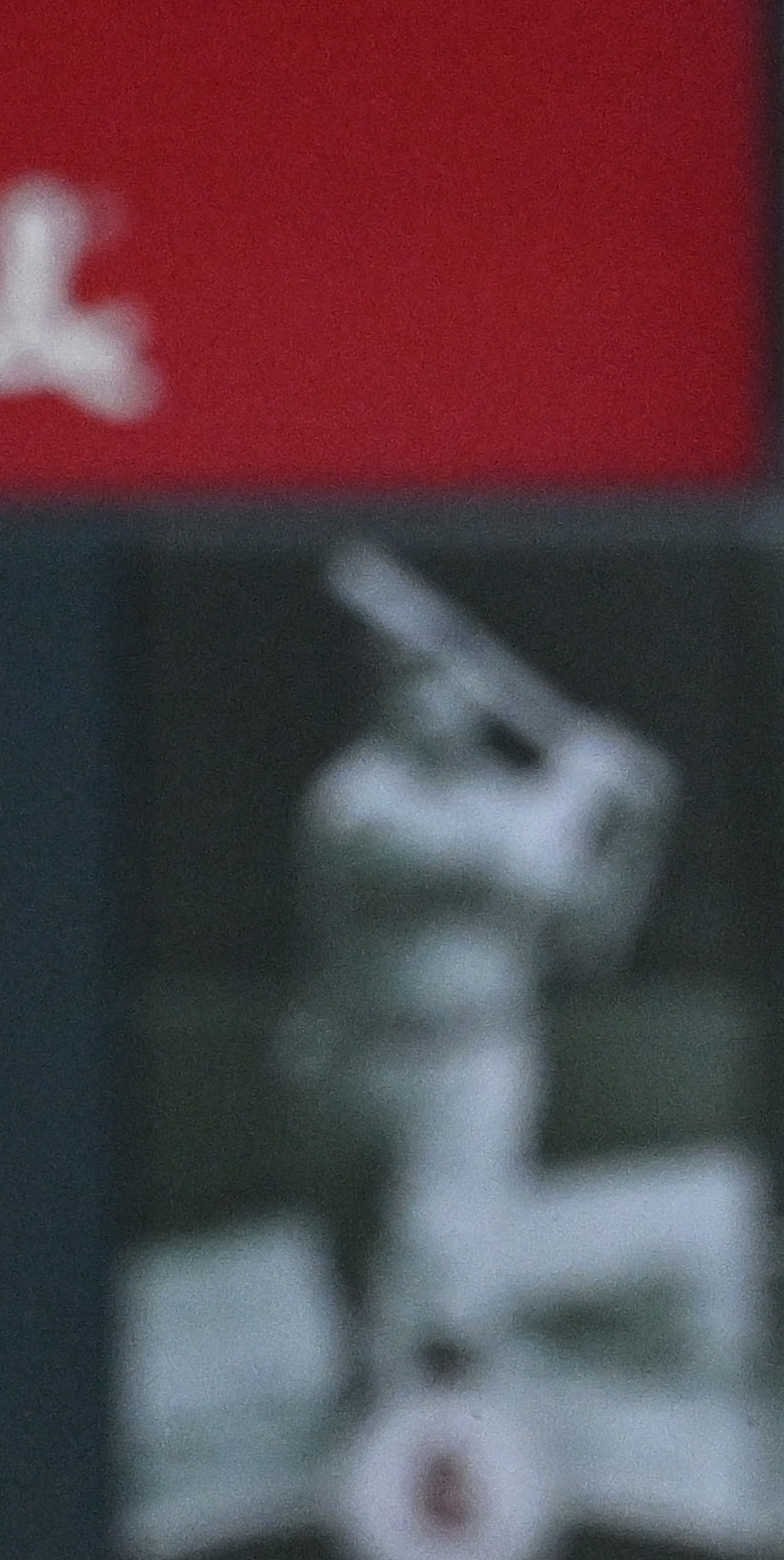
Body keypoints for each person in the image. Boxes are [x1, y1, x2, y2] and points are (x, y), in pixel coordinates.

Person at [281, 569, 671, 1418]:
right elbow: (514, 856)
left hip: (477, 1057)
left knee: (452, 1266)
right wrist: (585, 777)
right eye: (419, 686)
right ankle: (358, 1368)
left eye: (454, 686)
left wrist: (640, 833)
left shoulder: (507, 798)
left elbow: (592, 938)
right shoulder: (353, 801)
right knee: (350, 1247)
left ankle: (443, 1413)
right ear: (386, 702)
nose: (443, 704)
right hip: (350, 1053)